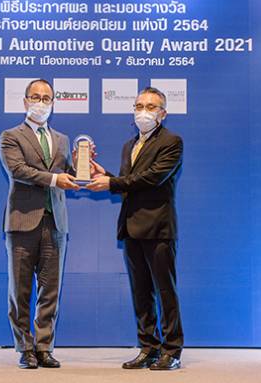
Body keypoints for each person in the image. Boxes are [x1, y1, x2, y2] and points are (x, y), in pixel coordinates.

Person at [87, 86, 184, 371]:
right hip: (131, 228)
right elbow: (129, 183)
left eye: (151, 107)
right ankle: (148, 348)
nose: (143, 111)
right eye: (139, 106)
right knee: (141, 292)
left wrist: (111, 183)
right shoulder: (129, 145)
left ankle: (172, 351)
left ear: (163, 114)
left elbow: (152, 178)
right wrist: (105, 175)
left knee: (165, 292)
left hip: (158, 228)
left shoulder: (171, 141)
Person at [0, 79, 79, 369]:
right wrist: (56, 178)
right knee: (20, 291)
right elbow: (18, 171)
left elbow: (69, 174)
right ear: (25, 101)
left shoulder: (62, 139)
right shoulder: (10, 136)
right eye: (36, 97)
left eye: (47, 98)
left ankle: (44, 347)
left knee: (50, 291)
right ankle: (25, 348)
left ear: (53, 103)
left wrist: (82, 165)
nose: (41, 102)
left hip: (55, 223)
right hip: (22, 222)